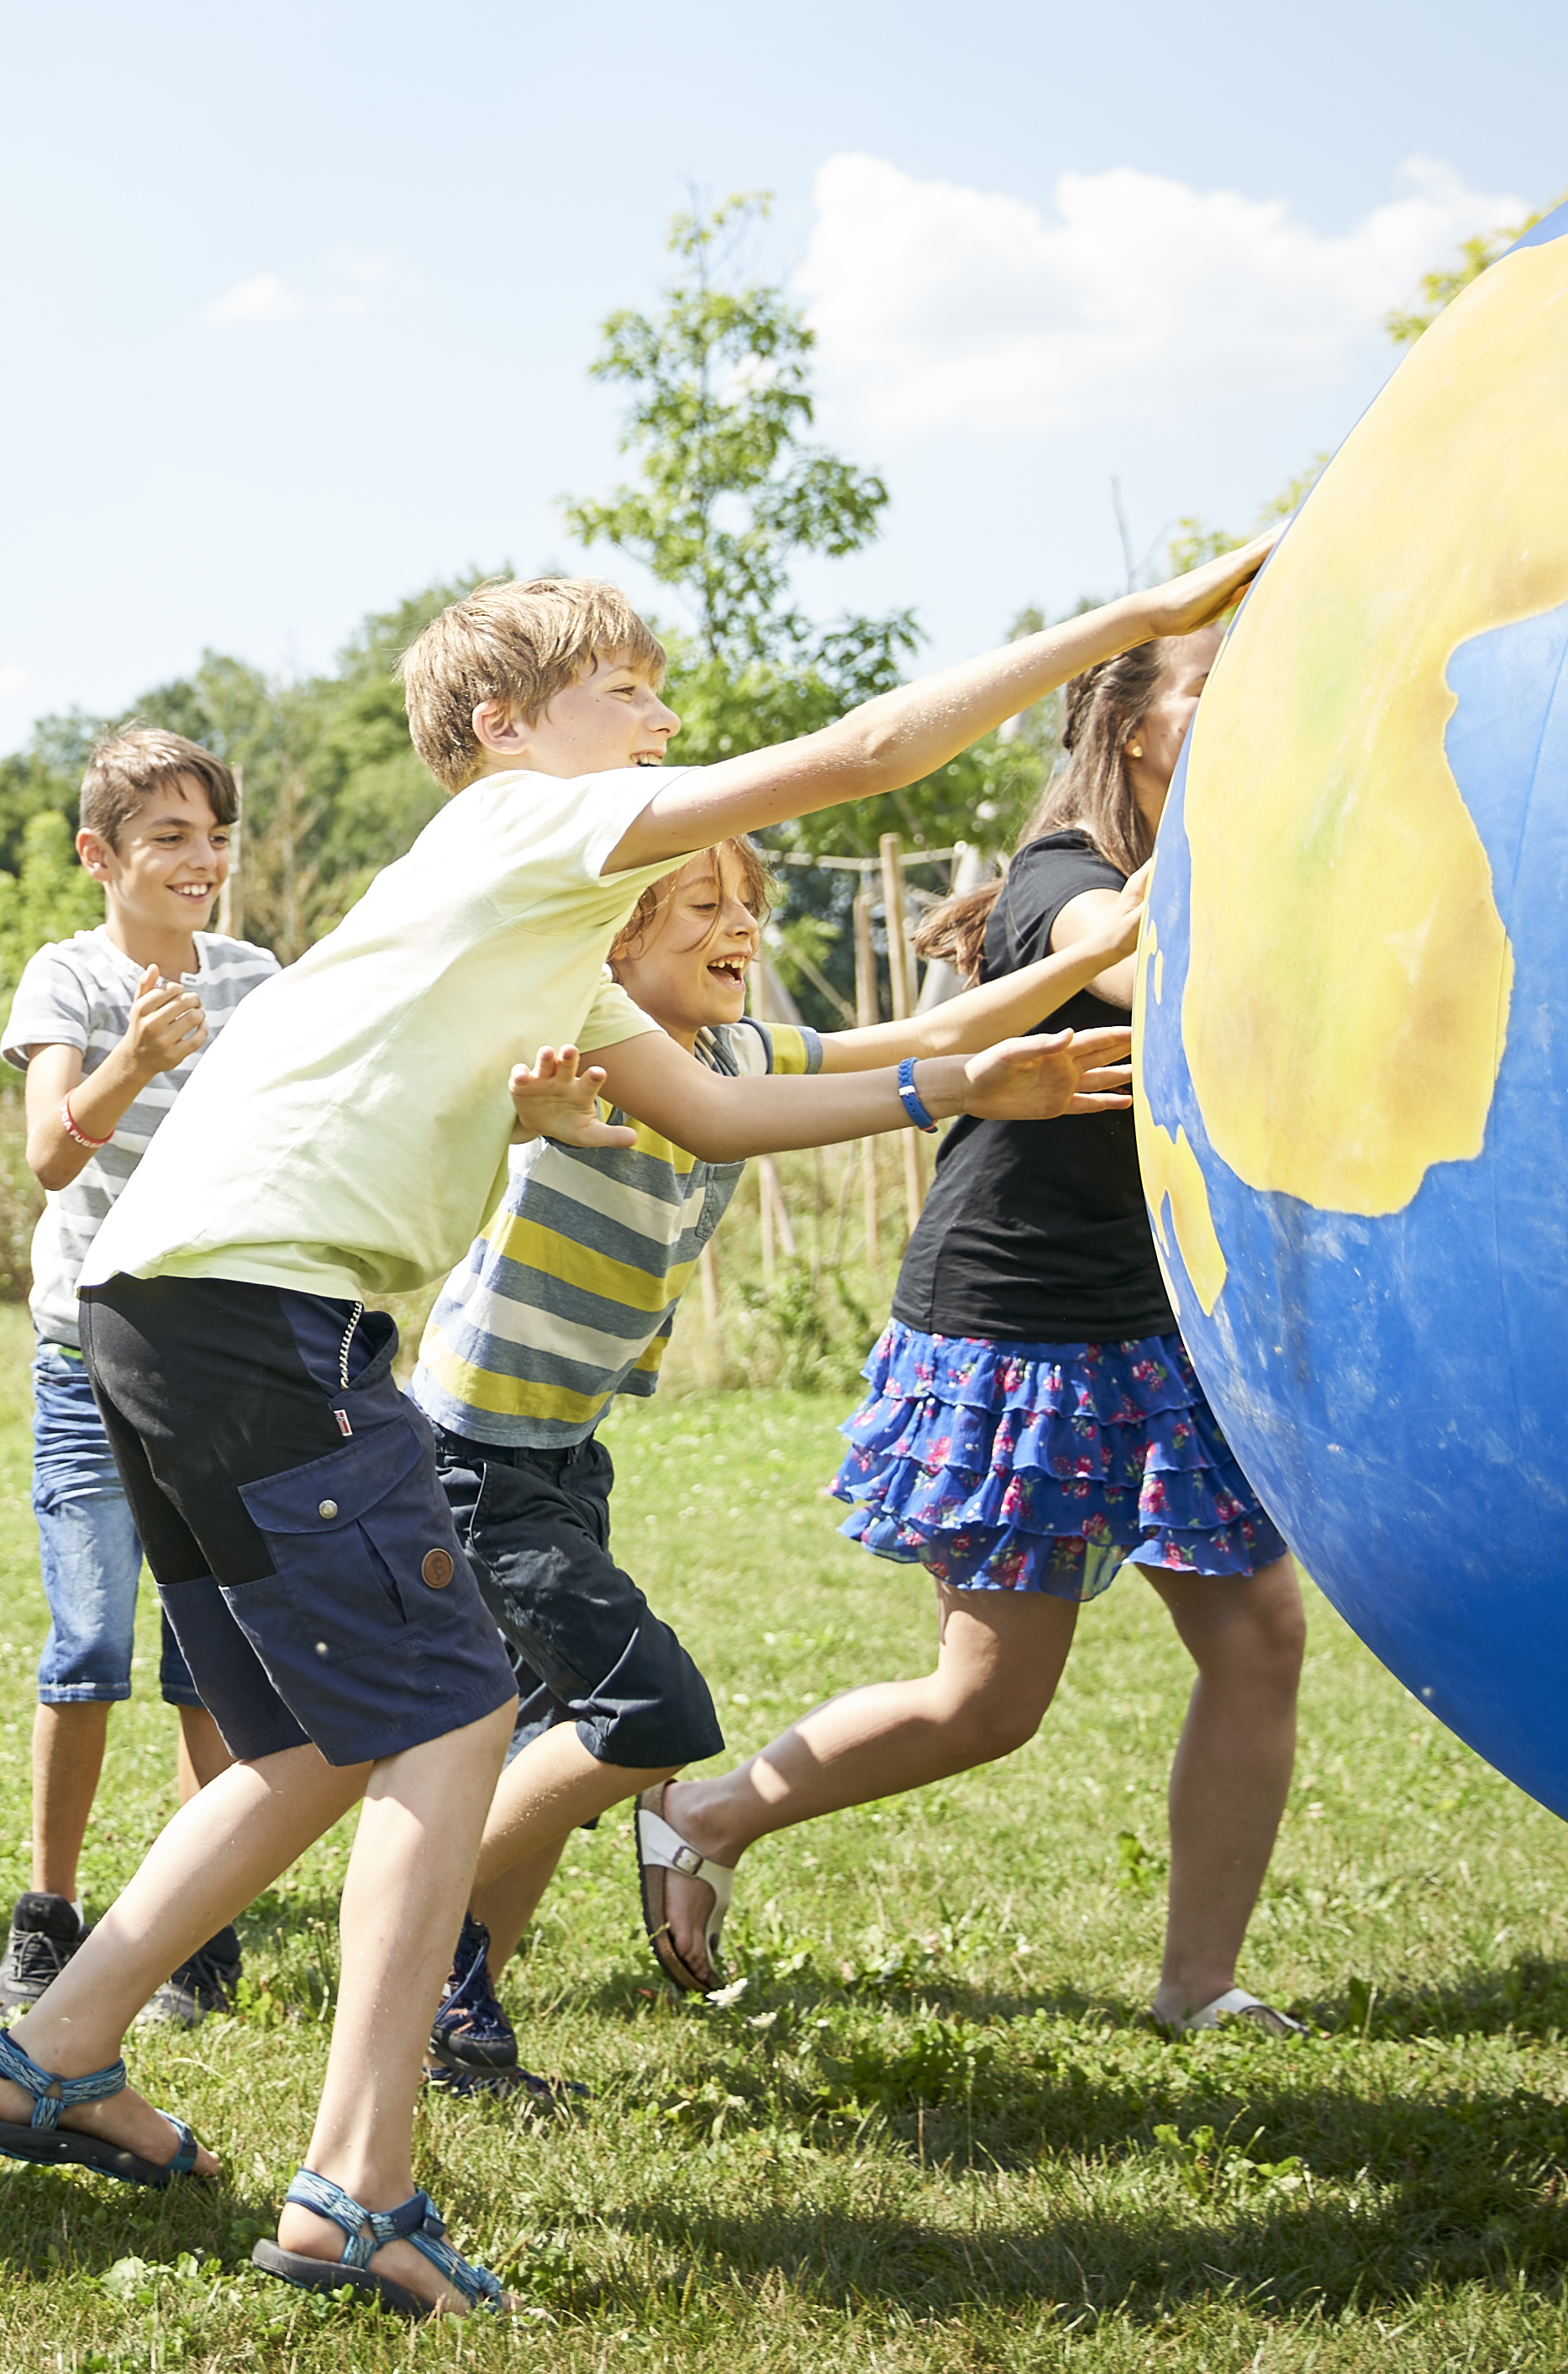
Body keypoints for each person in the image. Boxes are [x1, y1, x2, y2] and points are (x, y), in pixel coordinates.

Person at [0, 547, 1265, 2319]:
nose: (659, 720)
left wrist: (961, 1081)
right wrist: (1133, 624)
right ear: (505, 728)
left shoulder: (534, 924)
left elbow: (713, 1109)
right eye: (626, 693)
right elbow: (871, 744)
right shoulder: (521, 831)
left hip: (170, 1304)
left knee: (309, 1744)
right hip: (260, 1310)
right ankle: (354, 2184)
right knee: (457, 1710)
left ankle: (51, 2051)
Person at [621, 630, 1317, 2040]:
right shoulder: (1068, 879)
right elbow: (1124, 973)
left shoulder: (1178, 862)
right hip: (1019, 1327)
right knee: (988, 1699)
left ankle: (1198, 1986)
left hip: (1147, 1318)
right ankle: (702, 1813)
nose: (1242, 702)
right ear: (1128, 727)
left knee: (1259, 1632)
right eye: (1204, 684)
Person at [410, 839, 1150, 2100]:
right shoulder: (581, 1054)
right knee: (650, 1718)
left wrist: (1084, 958)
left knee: (549, 1733)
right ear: (615, 944)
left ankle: (456, 2017)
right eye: (704, 906)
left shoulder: (734, 1053)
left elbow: (924, 1033)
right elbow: (508, 1100)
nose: (740, 925)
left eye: (746, 904)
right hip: (472, 1458)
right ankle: (400, 1932)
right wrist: (961, 1089)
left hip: (559, 1453)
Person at [0, 727, 274, 2034]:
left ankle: (195, 1933)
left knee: (205, 1658)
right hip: (85, 1358)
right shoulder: (74, 977)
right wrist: (138, 1058)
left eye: (213, 837)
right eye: (168, 837)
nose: (198, 861)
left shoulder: (257, 979)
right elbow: (49, 1152)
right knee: (90, 1642)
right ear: (100, 854)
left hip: (214, 1362)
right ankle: (46, 1923)